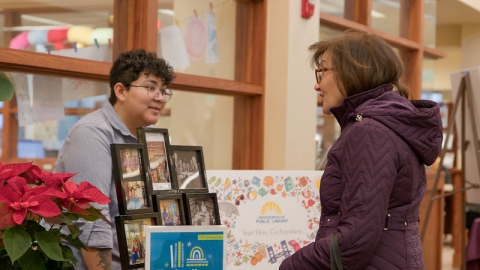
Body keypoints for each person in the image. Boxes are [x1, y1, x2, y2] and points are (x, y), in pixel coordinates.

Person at [279, 30, 443, 269]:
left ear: (351, 73)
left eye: (322, 71)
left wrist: (291, 265)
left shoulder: (371, 132)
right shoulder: (383, 124)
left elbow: (355, 240)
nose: (317, 84)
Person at [53, 49, 175, 269]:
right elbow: (91, 220)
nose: (160, 97)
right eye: (150, 87)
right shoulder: (92, 132)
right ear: (120, 91)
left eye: (163, 90)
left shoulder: (154, 137)